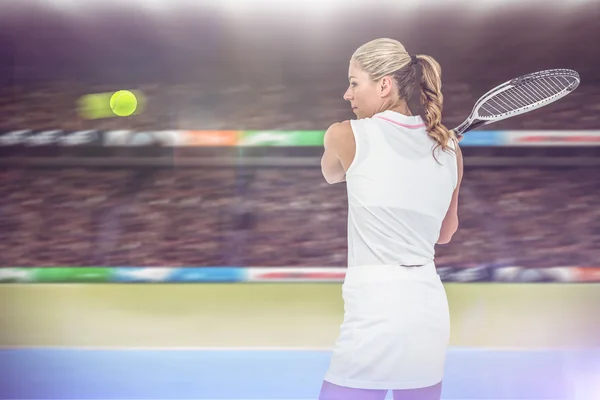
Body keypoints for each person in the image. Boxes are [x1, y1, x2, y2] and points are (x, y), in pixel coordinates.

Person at [319, 38, 464, 400]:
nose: (347, 94)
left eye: (354, 82)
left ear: (384, 85)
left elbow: (331, 175)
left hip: (377, 305)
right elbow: (445, 234)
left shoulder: (344, 135)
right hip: (428, 304)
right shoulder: (450, 149)